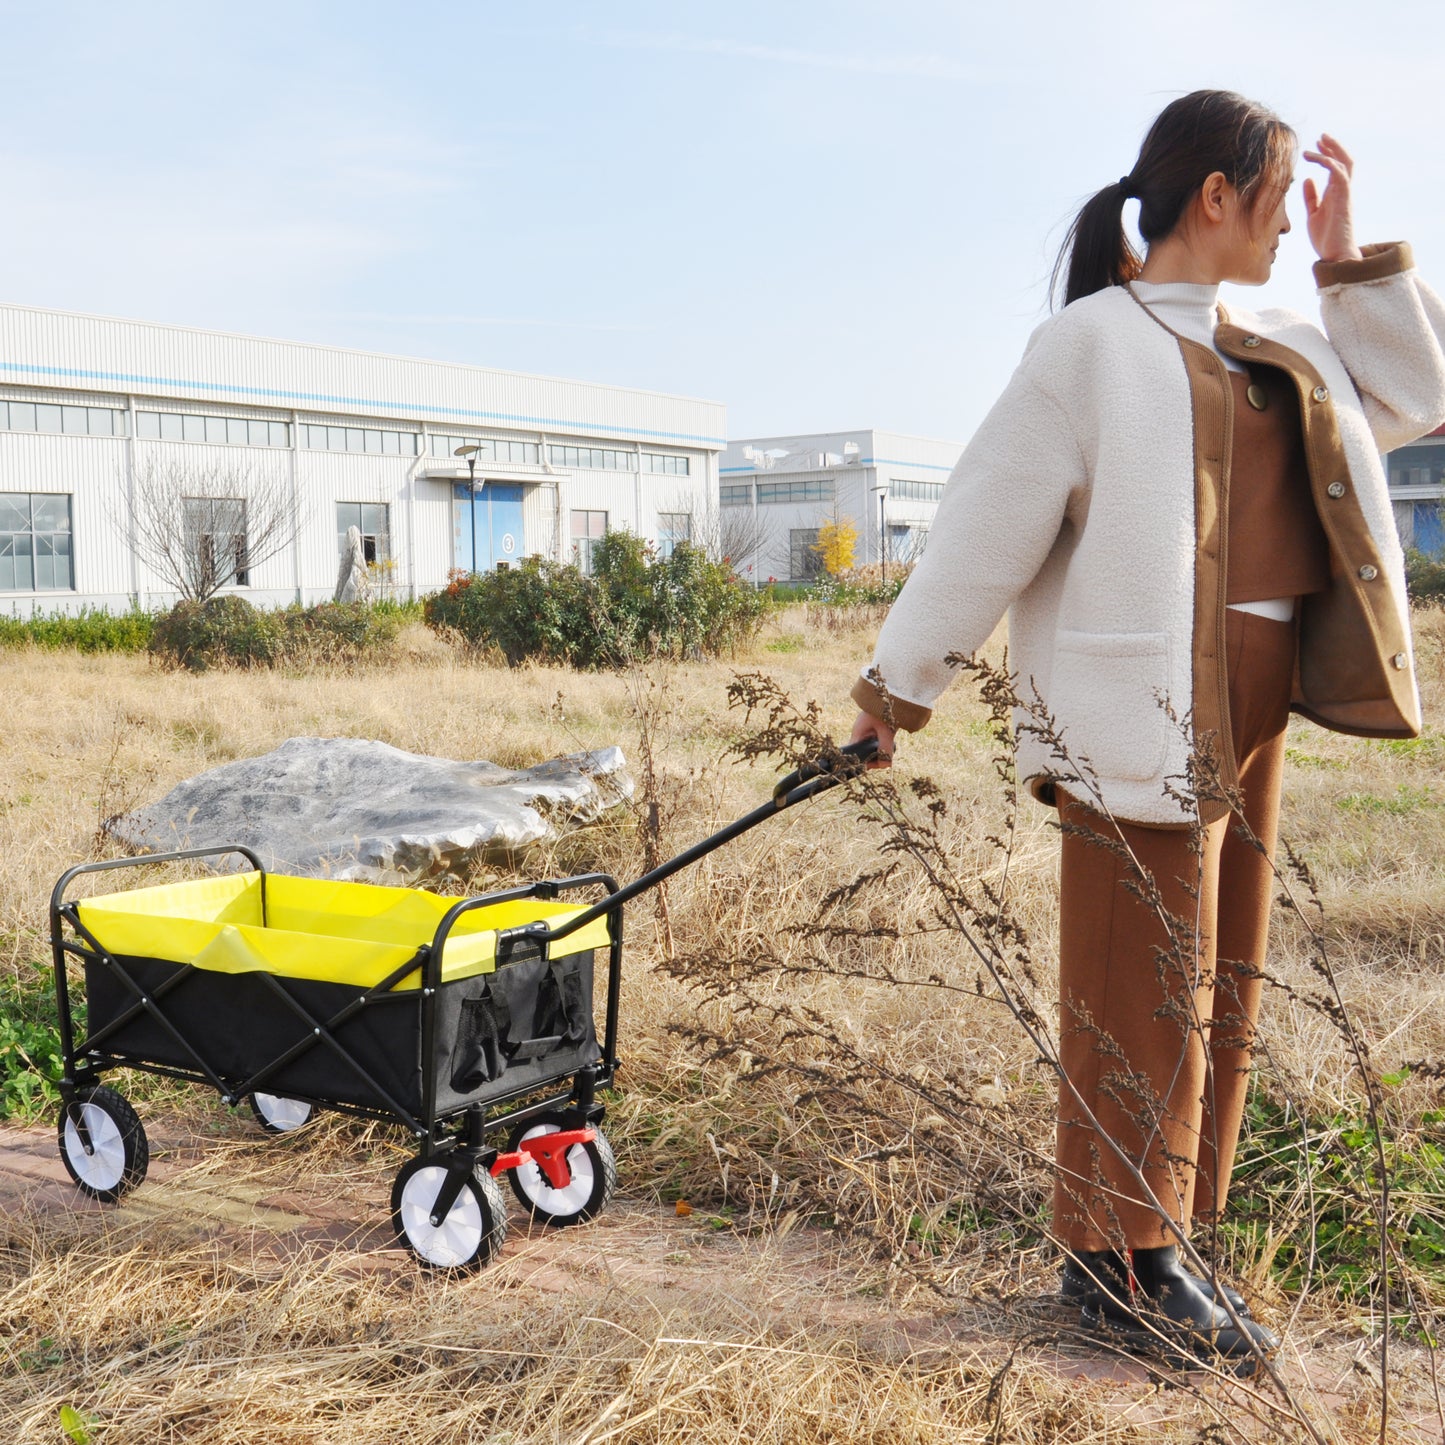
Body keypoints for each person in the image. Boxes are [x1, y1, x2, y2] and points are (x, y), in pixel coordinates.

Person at [848, 89, 1445, 1368]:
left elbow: (1419, 397)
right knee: (1139, 981)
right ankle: (1117, 1260)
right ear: (1213, 198)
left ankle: (1162, 1230)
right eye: (1280, 202)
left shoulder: (1277, 327)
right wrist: (895, 690)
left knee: (1217, 972)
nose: (1288, 226)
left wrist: (1349, 259)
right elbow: (982, 528)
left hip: (1255, 691)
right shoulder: (1089, 344)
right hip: (1139, 697)